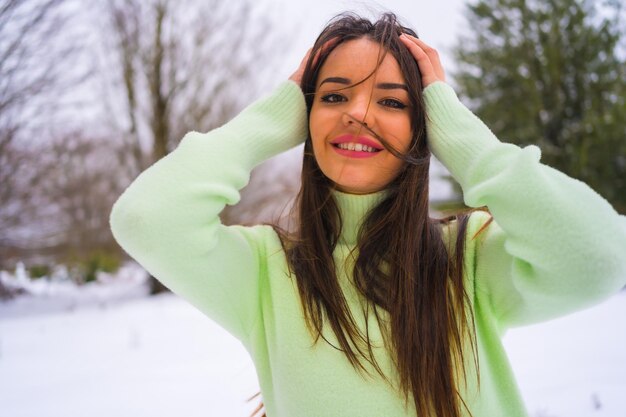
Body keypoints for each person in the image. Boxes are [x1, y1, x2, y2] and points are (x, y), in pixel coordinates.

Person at [109, 12, 626, 417]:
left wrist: (462, 136)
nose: (356, 112)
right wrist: (269, 120)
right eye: (333, 96)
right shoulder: (265, 272)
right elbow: (145, 218)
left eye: (394, 102)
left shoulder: (470, 259)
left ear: (426, 127)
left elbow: (601, 257)